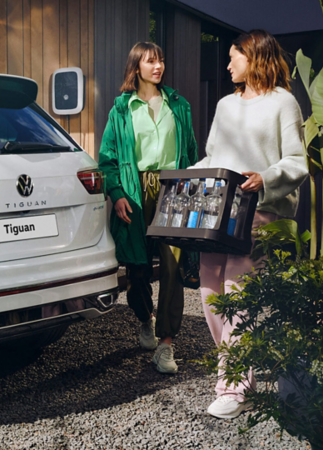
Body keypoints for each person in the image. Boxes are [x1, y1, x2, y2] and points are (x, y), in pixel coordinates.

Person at [191, 29, 308, 419]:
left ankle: (234, 388)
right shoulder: (225, 105)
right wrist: (176, 176)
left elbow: (296, 162)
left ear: (254, 56)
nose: (227, 65)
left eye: (232, 57)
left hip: (261, 210)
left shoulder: (283, 103)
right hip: (218, 211)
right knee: (210, 292)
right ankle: (238, 372)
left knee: (237, 294)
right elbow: (212, 157)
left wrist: (264, 176)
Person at [99, 42, 198, 374]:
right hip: (136, 191)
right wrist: (117, 193)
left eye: (161, 60)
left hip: (174, 188)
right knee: (138, 268)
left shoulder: (178, 105)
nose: (158, 66)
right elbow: (108, 159)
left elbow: (192, 154)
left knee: (173, 265)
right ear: (136, 67)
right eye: (151, 61)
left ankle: (167, 344)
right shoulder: (121, 110)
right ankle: (146, 318)